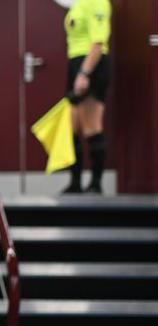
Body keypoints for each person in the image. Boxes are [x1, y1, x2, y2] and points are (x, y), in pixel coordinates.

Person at [62, 0, 111, 194]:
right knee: (72, 127)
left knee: (91, 127)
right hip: (77, 64)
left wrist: (84, 73)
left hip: (91, 66)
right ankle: (75, 183)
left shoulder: (98, 2)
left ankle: (96, 185)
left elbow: (98, 44)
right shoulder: (79, 3)